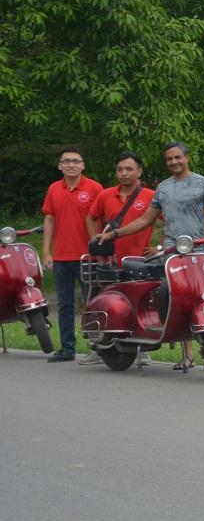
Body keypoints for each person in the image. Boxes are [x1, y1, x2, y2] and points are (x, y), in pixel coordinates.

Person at [96, 142, 204, 370]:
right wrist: (114, 233)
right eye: (169, 159)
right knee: (175, 298)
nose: (174, 162)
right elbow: (145, 220)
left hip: (200, 250)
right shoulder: (163, 188)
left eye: (177, 157)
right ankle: (187, 354)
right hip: (173, 253)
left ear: (187, 158)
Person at [81, 151, 157, 366]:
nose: (124, 174)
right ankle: (99, 347)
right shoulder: (105, 195)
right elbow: (91, 217)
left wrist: (158, 245)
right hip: (110, 262)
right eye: (120, 169)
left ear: (139, 171)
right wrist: (96, 243)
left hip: (140, 261)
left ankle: (144, 350)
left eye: (129, 169)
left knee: (142, 305)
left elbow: (166, 219)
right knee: (105, 304)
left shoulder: (150, 195)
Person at [41, 146, 103, 362]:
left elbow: (102, 221)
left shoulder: (95, 188)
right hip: (61, 257)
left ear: (83, 165)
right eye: (66, 161)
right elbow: (49, 219)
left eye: (76, 161)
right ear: (60, 166)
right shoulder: (54, 189)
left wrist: (101, 252)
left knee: (93, 302)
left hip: (88, 257)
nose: (71, 164)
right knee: (64, 304)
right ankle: (68, 349)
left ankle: (97, 347)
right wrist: (46, 251)